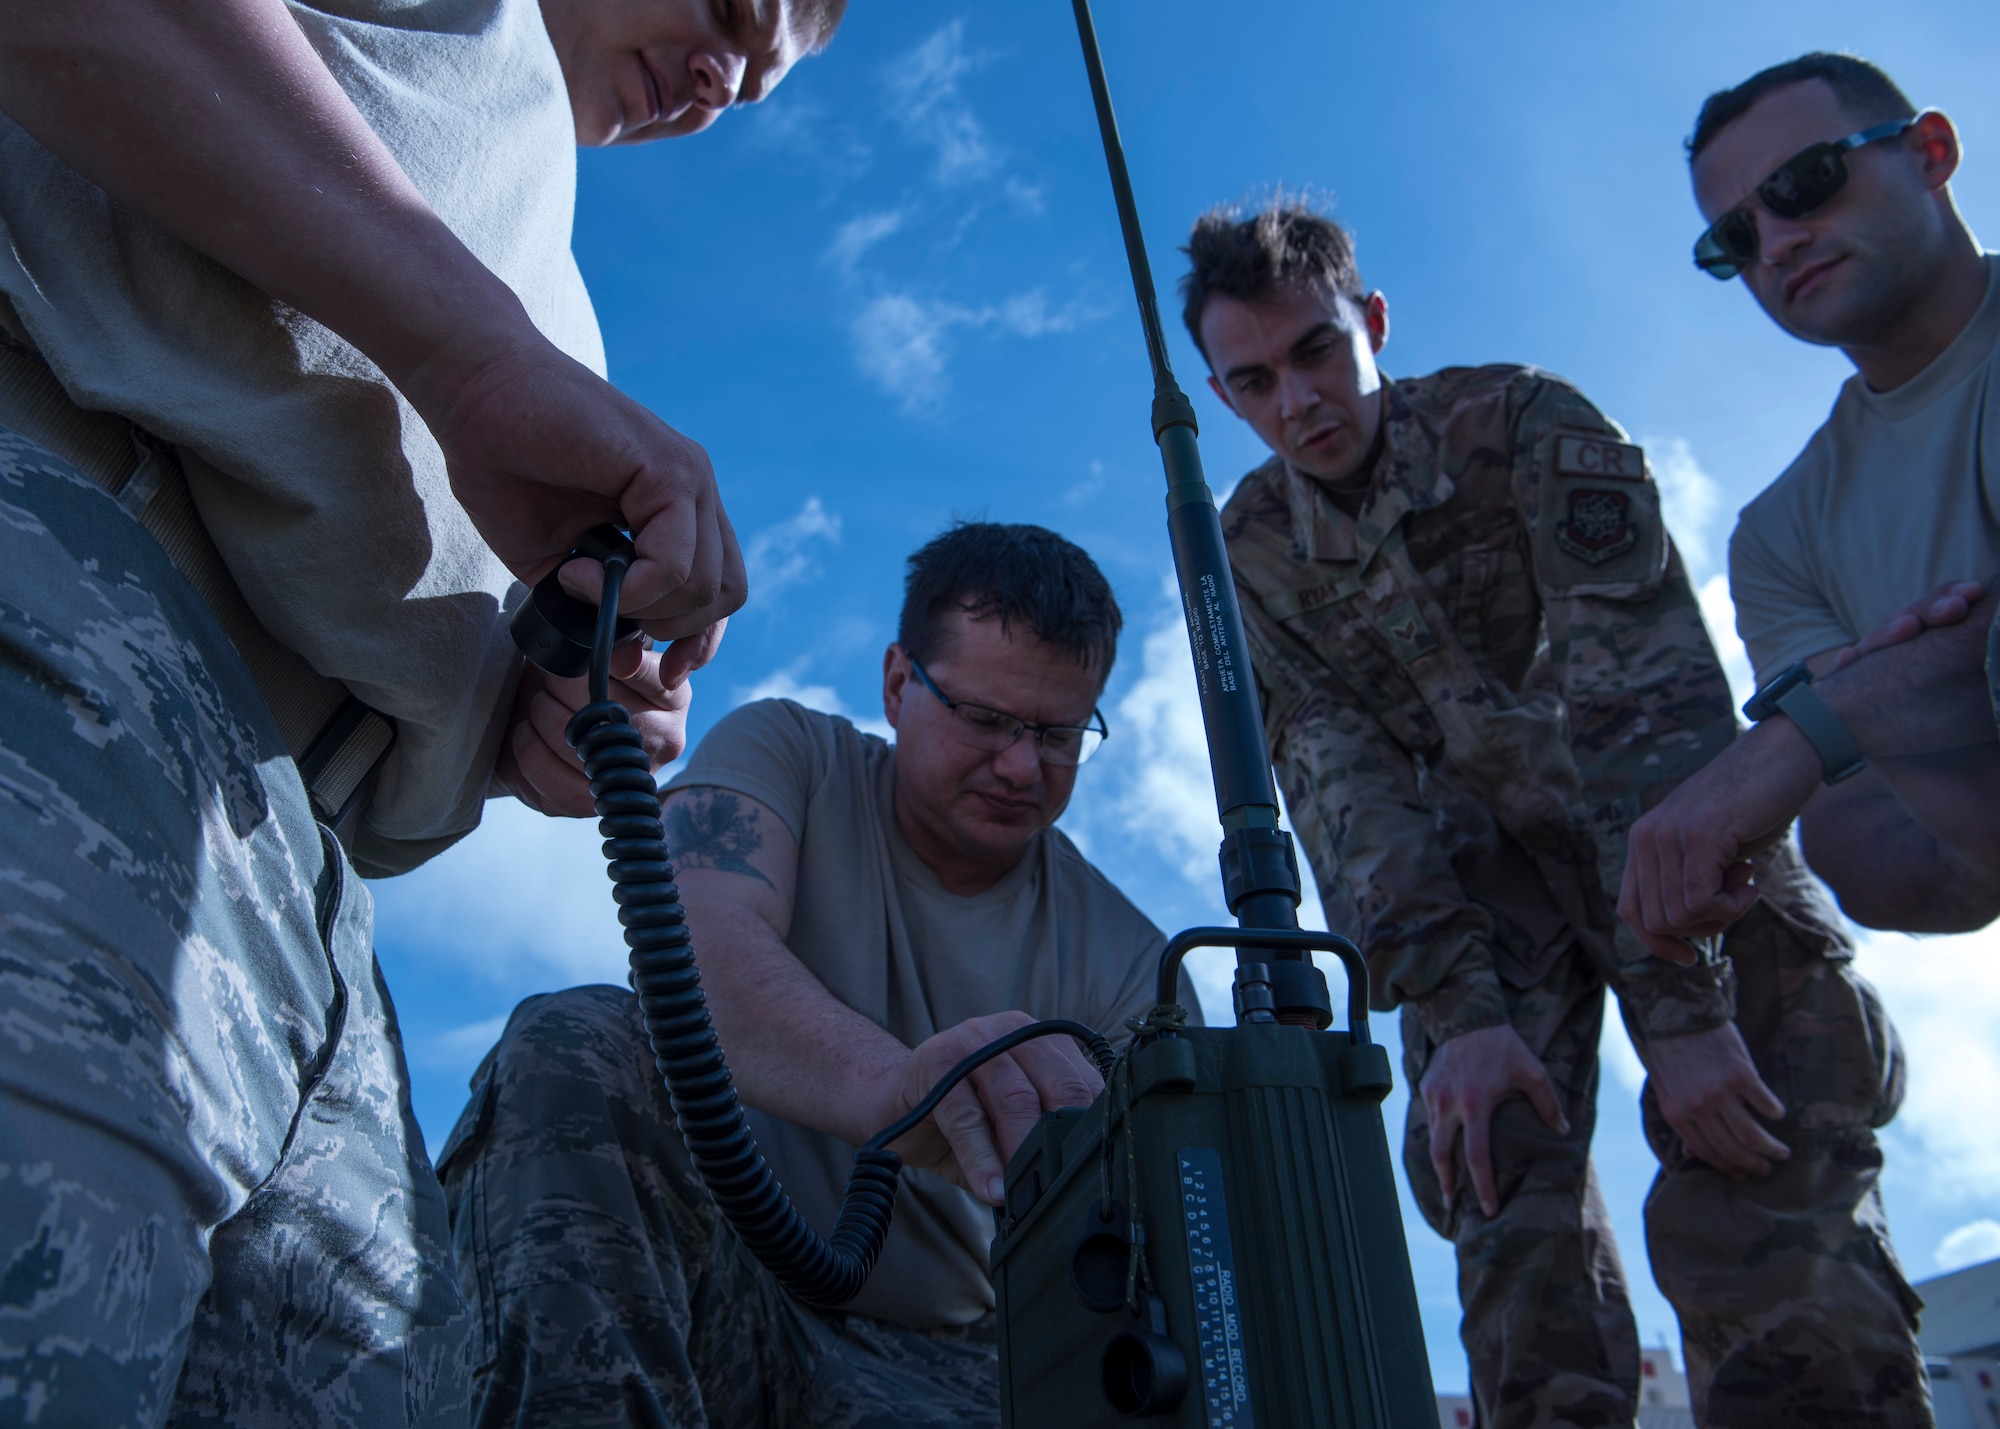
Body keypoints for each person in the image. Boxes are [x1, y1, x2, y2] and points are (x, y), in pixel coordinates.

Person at [0, 0, 840, 1422]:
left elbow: (425, 701)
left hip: (309, 908)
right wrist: (470, 354)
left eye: (752, 87)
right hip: (68, 603)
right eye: (729, 12)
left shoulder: (561, 301)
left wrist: (543, 724)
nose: (717, 79)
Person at [1195, 200, 1927, 1427]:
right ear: (1224, 398)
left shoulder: (1524, 421)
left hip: (1683, 838)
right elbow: (1340, 788)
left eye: (1316, 350)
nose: (1297, 402)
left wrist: (1683, 999)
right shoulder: (1254, 547)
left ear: (1371, 323)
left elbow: (1648, 697)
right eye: (1254, 380)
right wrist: (1457, 1013)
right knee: (1499, 1196)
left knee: (1766, 1180)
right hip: (1486, 892)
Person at [437, 522, 1194, 1428]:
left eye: (1061, 732)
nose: (1024, 764)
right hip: (711, 1282)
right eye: (987, 719)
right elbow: (694, 957)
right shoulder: (786, 753)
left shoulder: (1136, 966)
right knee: (575, 1040)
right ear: (899, 682)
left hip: (951, 1370)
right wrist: (898, 1088)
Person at [1622, 53, 2000, 954]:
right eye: (1735, 240)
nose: (1779, 241)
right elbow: (1855, 842)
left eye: (1805, 183)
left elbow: (1824, 754)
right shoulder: (1779, 538)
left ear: (1931, 153)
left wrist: (1827, 724)